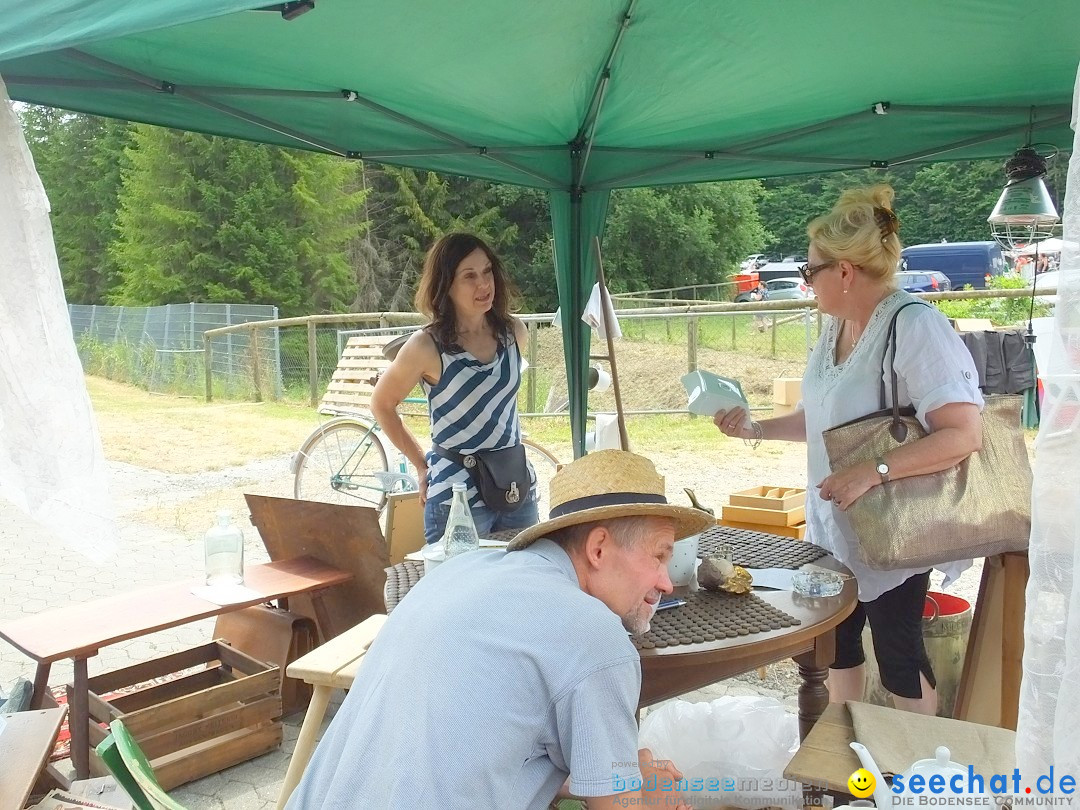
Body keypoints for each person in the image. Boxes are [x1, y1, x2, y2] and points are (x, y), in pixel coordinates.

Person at [286, 450, 711, 809]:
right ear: (598, 548)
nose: (665, 582)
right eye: (659, 557)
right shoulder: (595, 634)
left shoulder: (457, 571)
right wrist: (645, 792)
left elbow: (470, 740)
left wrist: (600, 772)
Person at [713, 185, 983, 716]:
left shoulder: (915, 325)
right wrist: (755, 430)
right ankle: (845, 761)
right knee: (835, 646)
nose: (804, 282)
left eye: (810, 270)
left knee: (898, 653)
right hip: (836, 524)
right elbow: (822, 423)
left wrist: (874, 471)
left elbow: (963, 433)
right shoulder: (835, 327)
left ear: (844, 272)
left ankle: (914, 775)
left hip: (895, 527)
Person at [371, 232, 539, 544]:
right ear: (446, 284)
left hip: (516, 487)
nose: (484, 284)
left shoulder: (514, 333)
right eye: (469, 276)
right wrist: (422, 466)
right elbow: (381, 404)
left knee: (524, 584)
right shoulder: (426, 345)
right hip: (456, 497)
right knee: (462, 589)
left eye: (487, 271)